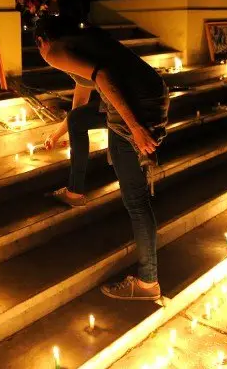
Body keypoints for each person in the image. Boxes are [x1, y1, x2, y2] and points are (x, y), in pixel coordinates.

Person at [35, 15, 169, 301]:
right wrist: (59, 133)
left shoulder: (56, 51)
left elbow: (104, 77)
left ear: (42, 41)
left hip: (137, 104)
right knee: (80, 120)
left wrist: (134, 129)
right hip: (146, 94)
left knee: (136, 200)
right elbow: (80, 104)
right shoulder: (81, 46)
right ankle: (75, 190)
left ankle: (148, 281)